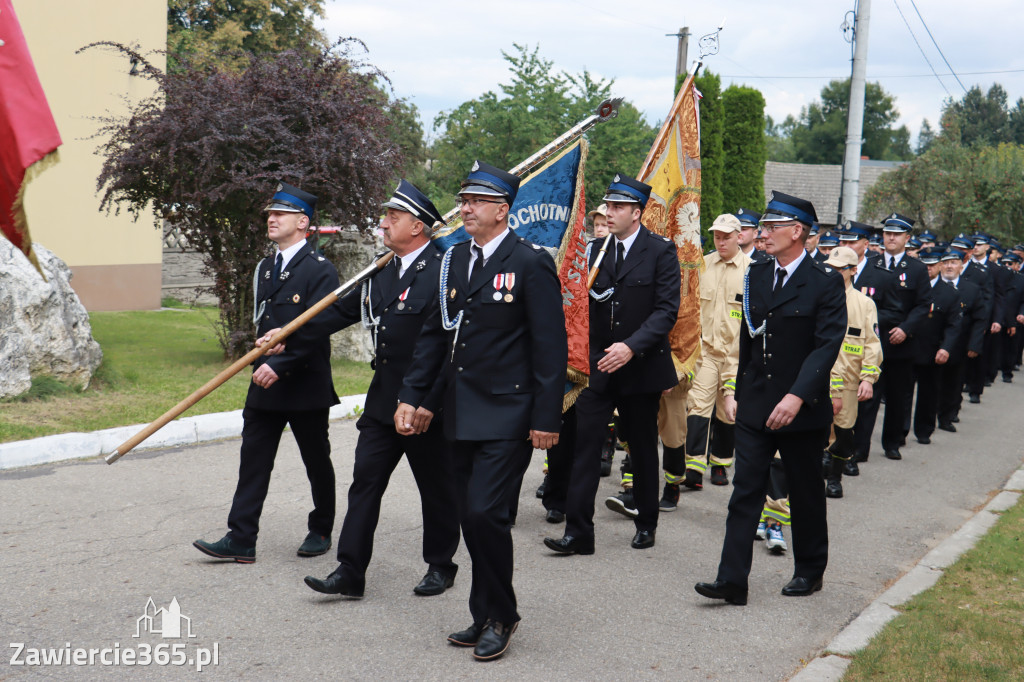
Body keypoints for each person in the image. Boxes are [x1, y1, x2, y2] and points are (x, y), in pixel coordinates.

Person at [395, 161, 567, 662]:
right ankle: (481, 612)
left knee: (484, 512)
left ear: (502, 210)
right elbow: (436, 335)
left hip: (510, 413)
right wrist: (411, 395)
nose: (464, 208)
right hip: (458, 412)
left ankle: (503, 615)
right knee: (472, 518)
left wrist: (547, 418)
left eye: (476, 202)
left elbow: (550, 347)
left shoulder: (530, 262)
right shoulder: (455, 261)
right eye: (464, 200)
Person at [292, 180, 461, 600]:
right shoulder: (381, 270)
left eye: (393, 217)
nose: (383, 223)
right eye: (385, 216)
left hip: (426, 406)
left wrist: (429, 402)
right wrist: (286, 335)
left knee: (436, 488)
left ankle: (441, 564)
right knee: (364, 482)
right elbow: (339, 313)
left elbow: (452, 346)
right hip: (384, 400)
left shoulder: (445, 270)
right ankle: (350, 571)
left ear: (418, 227)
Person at [694, 191, 845, 606]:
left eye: (773, 226)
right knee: (745, 491)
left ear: (797, 231)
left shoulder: (825, 282)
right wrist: (736, 392)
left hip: (800, 409)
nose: (764, 233)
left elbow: (826, 347)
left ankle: (809, 571)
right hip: (757, 403)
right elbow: (749, 338)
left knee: (805, 491)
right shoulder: (756, 274)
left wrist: (797, 398)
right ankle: (732, 581)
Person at [193, 182, 340, 564]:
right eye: (270, 213)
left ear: (303, 222)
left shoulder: (320, 270)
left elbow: (318, 328)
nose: (271, 219)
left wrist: (281, 363)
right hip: (265, 381)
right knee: (253, 459)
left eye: (280, 213)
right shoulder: (267, 267)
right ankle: (241, 537)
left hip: (304, 381)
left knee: (316, 459)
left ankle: (321, 527)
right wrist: (263, 355)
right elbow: (266, 322)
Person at [544, 173, 680, 553]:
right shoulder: (595, 251)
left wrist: (631, 347)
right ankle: (578, 533)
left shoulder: (660, 251)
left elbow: (667, 311)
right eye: (609, 206)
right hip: (598, 366)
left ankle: (646, 521)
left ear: (636, 213)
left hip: (640, 366)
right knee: (584, 448)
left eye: (619, 207)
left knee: (639, 446)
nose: (611, 212)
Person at [674, 213, 750, 502]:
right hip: (705, 352)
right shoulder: (703, 265)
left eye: (726, 236)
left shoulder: (751, 271)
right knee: (697, 407)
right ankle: (694, 466)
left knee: (727, 412)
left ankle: (719, 463)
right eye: (717, 236)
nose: (721, 241)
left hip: (736, 353)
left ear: (738, 237)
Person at [841, 221, 903, 474]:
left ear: (865, 245)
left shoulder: (882, 275)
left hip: (863, 347)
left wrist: (866, 315)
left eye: (851, 242)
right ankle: (832, 453)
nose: (845, 246)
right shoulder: (830, 270)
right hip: (836, 350)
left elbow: (894, 310)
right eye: (842, 242)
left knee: (865, 402)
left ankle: (855, 452)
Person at [823, 246, 881, 499]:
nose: (833, 273)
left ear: (853, 270)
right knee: (816, 430)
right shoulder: (818, 297)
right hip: (818, 379)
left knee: (844, 431)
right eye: (830, 268)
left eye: (840, 269)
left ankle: (835, 478)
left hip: (847, 381)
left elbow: (872, 343)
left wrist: (868, 379)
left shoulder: (864, 304)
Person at [873, 213, 932, 461]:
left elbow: (923, 304)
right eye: (888, 234)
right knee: (868, 396)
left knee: (898, 397)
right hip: (872, 341)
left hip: (901, 342)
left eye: (897, 234)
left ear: (907, 238)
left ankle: (892, 442)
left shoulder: (917, 269)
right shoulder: (871, 264)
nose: (891, 238)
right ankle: (857, 446)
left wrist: (906, 329)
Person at [909, 247, 961, 445]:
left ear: (940, 266)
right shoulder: (911, 286)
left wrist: (946, 348)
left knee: (928, 394)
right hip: (908, 346)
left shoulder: (949, 293)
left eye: (932, 265)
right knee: (902, 394)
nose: (928, 268)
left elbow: (954, 325)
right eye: (925, 264)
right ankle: (899, 432)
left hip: (932, 351)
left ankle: (924, 430)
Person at [937, 246, 986, 431]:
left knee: (954, 383)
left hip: (959, 344)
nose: (949, 266)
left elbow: (979, 319)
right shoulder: (932, 286)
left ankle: (948, 416)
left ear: (961, 265)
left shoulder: (971, 289)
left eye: (954, 262)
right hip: (934, 342)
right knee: (933, 382)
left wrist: (974, 344)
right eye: (946, 263)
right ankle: (928, 416)